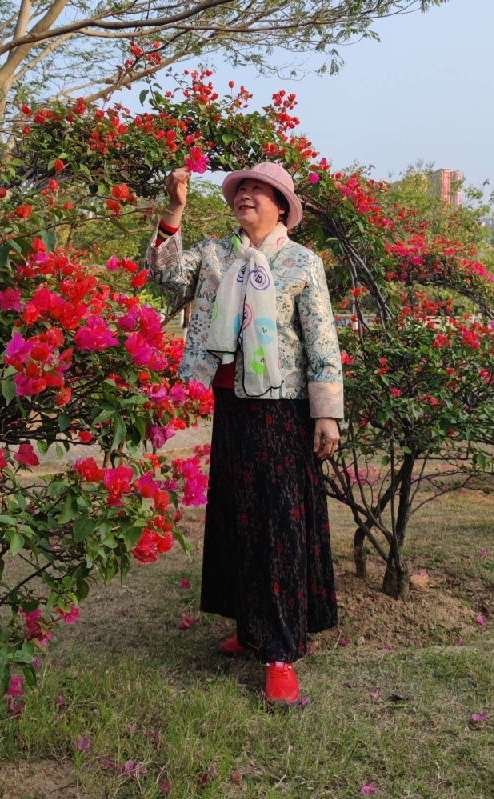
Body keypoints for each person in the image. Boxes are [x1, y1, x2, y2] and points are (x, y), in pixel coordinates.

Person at [146, 162, 343, 706]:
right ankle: (250, 626)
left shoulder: (302, 262)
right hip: (230, 403)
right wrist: (174, 209)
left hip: (282, 409)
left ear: (282, 207)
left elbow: (321, 340)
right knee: (236, 516)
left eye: (259, 190)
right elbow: (163, 273)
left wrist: (327, 413)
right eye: (242, 189)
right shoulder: (215, 254)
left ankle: (280, 650)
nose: (247, 196)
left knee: (277, 524)